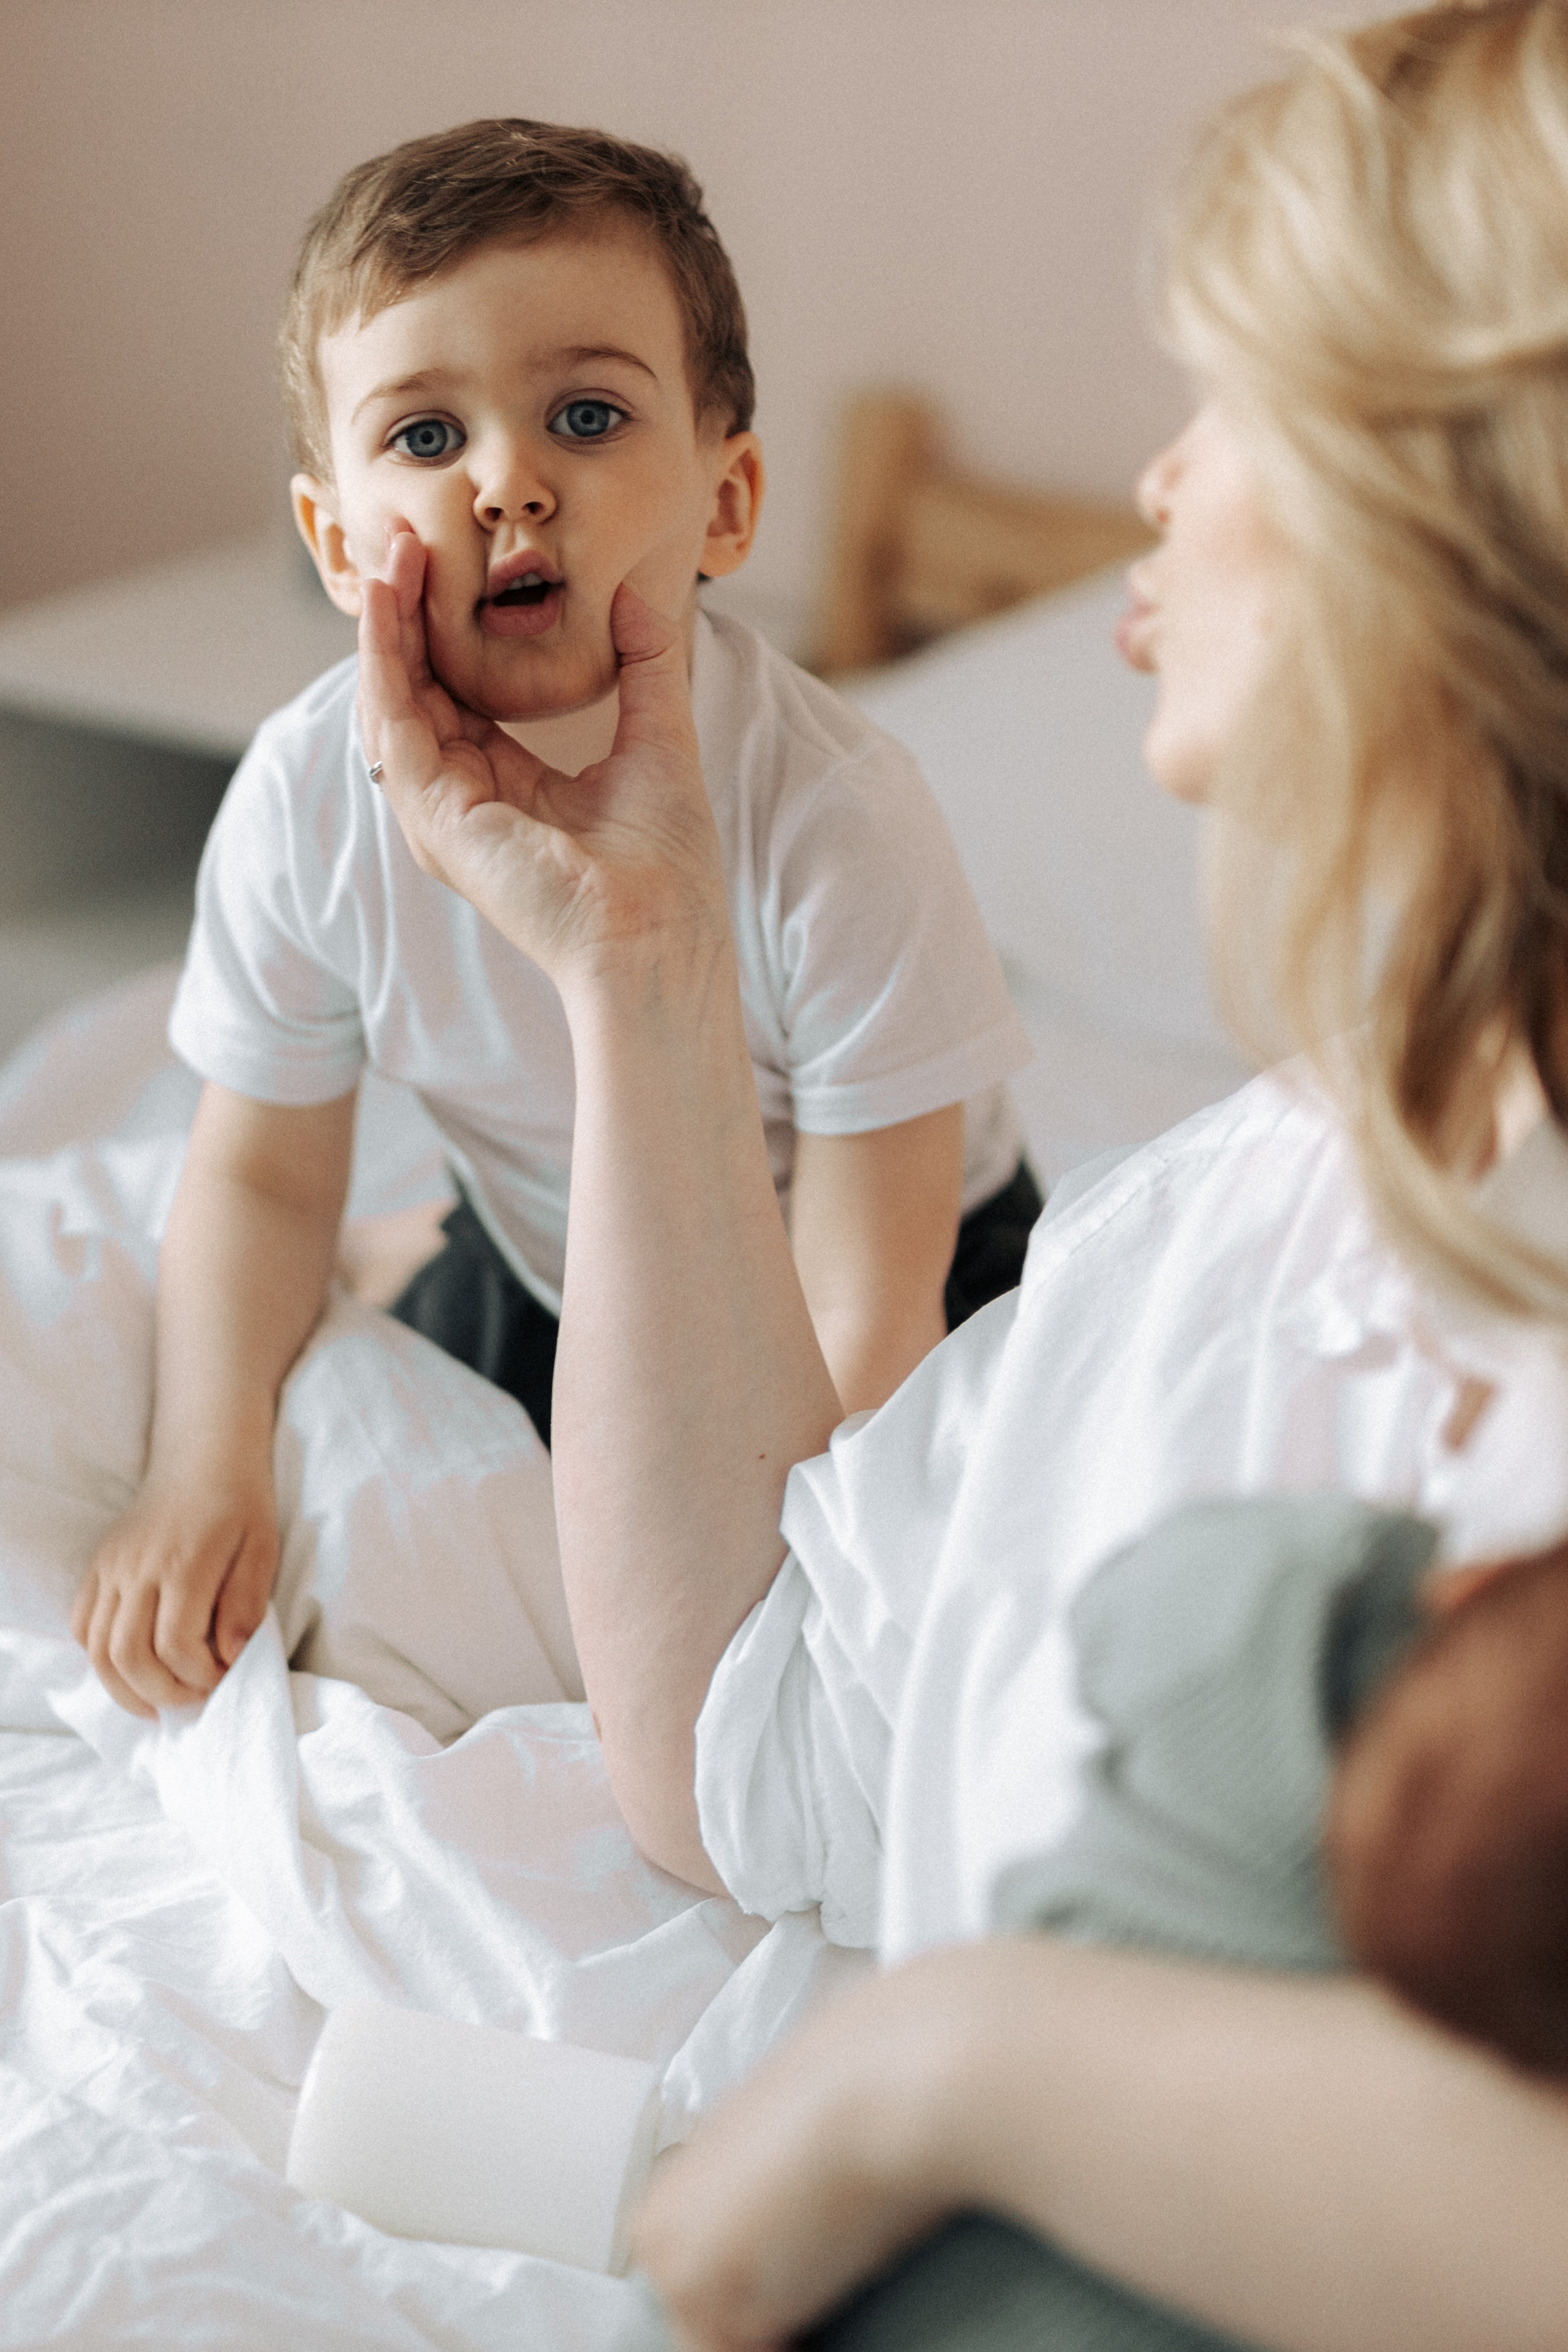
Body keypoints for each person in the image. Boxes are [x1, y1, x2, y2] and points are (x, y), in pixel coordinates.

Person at [358, 4, 1568, 2345]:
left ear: (1459, 519)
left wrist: (970, 2073)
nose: (1160, 482)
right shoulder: (1253, 1202)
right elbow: (756, 1740)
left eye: (1237, 404)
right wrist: (639, 963)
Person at [70, 119, 1036, 1721]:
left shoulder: (837, 816)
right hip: (550, 1248)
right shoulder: (315, 799)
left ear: (728, 507)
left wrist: (790, 1589)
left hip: (897, 1266)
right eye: (426, 436)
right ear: (333, 541)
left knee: (957, 1555)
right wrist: (198, 1467)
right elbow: (255, 1164)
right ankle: (422, 1262)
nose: (508, 481)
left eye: (584, 416)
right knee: (384, 1520)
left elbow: (877, 1293)